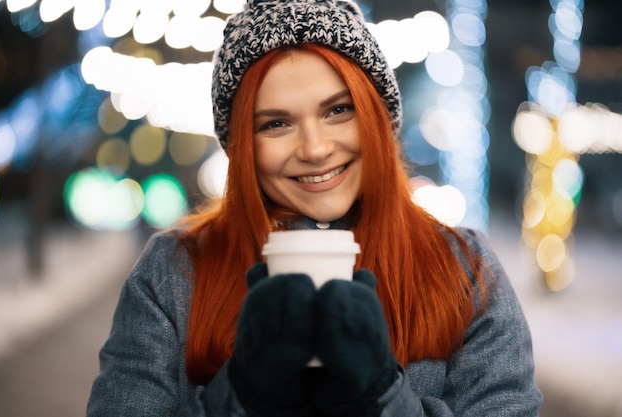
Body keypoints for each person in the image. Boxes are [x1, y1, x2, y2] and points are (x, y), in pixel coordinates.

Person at [86, 0, 543, 416]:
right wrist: (243, 393)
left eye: (338, 111)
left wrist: (381, 396)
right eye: (277, 123)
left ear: (377, 116)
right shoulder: (174, 271)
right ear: (243, 146)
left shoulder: (464, 267)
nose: (316, 148)